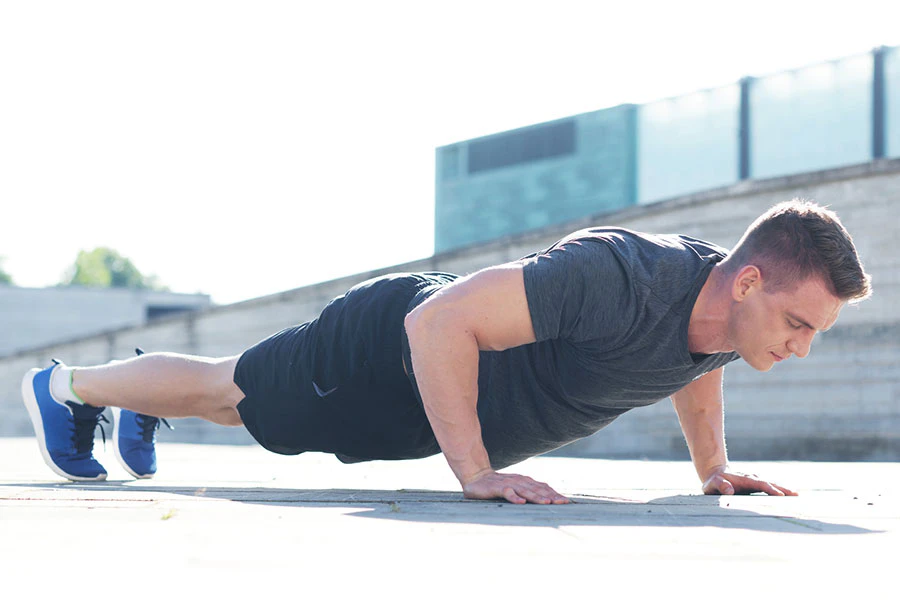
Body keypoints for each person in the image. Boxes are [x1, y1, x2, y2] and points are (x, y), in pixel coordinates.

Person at [21, 199, 871, 504]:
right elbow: (437, 324)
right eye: (799, 325)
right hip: (389, 350)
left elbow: (695, 366)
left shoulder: (729, 322)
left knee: (241, 408)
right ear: (749, 282)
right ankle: (68, 387)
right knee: (226, 393)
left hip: (429, 408)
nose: (800, 350)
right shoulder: (619, 276)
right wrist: (475, 473)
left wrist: (712, 468)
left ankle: (134, 399)